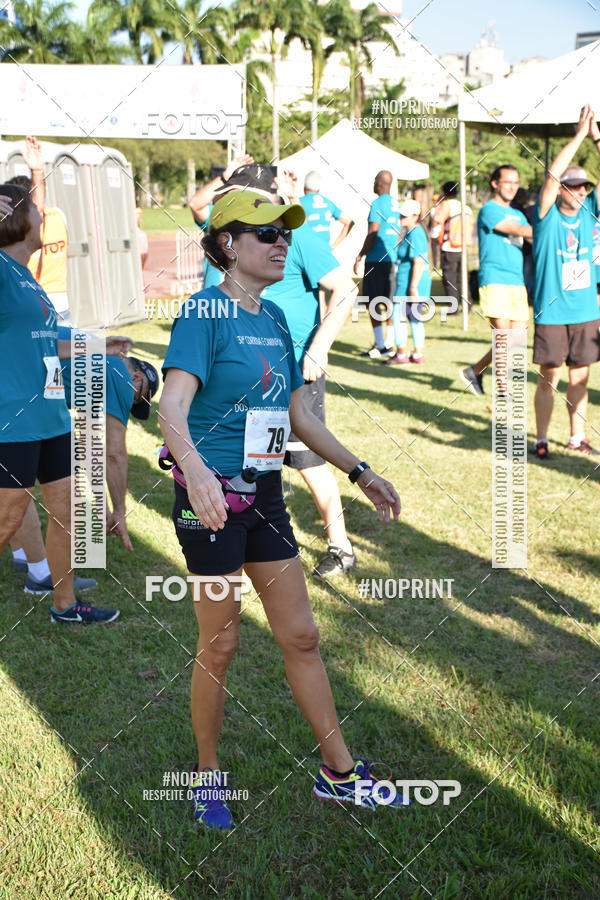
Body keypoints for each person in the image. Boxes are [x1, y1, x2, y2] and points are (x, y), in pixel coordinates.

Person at [159, 190, 403, 831]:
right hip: (208, 501)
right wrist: (196, 474)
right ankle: (205, 776)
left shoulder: (273, 321)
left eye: (284, 234)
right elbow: (172, 408)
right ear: (227, 243)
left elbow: (297, 415)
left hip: (264, 495)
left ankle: (339, 775)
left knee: (301, 634)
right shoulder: (203, 313)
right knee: (220, 643)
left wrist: (360, 472)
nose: (281, 243)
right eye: (265, 233)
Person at [0, 186, 129, 624]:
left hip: (51, 417)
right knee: (7, 517)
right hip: (12, 420)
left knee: (69, 511)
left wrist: (98, 344)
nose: (44, 217)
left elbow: (47, 339)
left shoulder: (26, 274)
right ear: (17, 218)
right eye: (37, 210)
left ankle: (65, 604)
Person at [9, 331, 159, 573]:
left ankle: (23, 556)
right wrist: (120, 511)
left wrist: (103, 507)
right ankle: (39, 573)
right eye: (138, 397)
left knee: (16, 485)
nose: (131, 403)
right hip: (16, 391)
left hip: (18, 379)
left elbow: (89, 447)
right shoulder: (119, 374)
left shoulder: (97, 368)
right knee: (25, 489)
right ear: (136, 376)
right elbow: (113, 454)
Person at [531, 104, 600, 458]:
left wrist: (596, 137)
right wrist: (578, 136)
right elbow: (551, 178)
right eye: (572, 187)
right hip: (553, 313)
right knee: (549, 378)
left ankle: (577, 436)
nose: (578, 192)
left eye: (583, 187)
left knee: (581, 378)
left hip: (586, 311)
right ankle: (541, 439)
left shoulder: (591, 213)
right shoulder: (546, 218)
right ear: (562, 190)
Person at [460, 165, 532, 396]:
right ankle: (503, 388)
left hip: (516, 280)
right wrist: (548, 229)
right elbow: (518, 230)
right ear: (495, 183)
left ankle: (474, 371)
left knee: (517, 337)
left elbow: (527, 233)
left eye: (515, 182)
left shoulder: (519, 213)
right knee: (502, 334)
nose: (512, 187)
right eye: (507, 182)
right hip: (494, 277)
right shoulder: (489, 210)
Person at [7, 136, 72, 324]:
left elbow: (36, 206)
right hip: (58, 300)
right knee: (75, 345)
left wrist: (37, 171)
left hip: (37, 302)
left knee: (63, 346)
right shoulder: (59, 215)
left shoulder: (20, 226)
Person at [354, 170, 400, 357]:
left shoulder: (377, 203)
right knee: (388, 301)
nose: (373, 183)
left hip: (376, 259)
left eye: (375, 180)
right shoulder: (396, 204)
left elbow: (373, 233)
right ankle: (389, 344)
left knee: (373, 302)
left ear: (380, 183)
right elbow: (399, 232)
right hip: (392, 258)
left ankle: (380, 345)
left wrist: (360, 255)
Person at [385, 199, 431, 365]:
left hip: (410, 283)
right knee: (414, 318)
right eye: (401, 214)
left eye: (405, 215)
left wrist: (413, 287)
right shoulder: (410, 231)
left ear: (415, 216)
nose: (401, 217)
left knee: (399, 316)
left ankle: (402, 353)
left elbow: (419, 261)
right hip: (410, 282)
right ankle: (416, 354)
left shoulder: (416, 233)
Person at [431, 181, 473, 312]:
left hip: (449, 246)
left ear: (444, 192)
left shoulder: (446, 206)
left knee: (450, 278)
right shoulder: (465, 207)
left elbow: (437, 224)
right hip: (464, 247)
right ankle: (467, 306)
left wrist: (437, 241)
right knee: (463, 278)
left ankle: (453, 307)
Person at [299, 170, 354, 250]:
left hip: (306, 250)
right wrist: (333, 246)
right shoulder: (328, 203)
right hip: (325, 252)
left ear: (304, 185)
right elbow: (349, 222)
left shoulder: (298, 202)